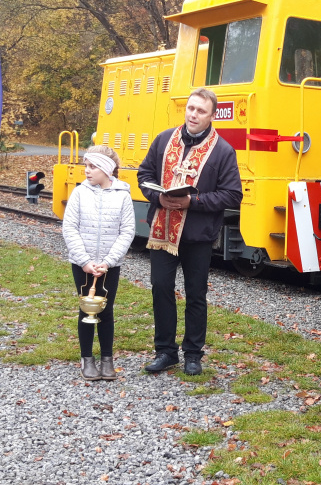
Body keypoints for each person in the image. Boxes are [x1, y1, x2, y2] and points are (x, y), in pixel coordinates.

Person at [138, 88, 242, 376]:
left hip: (198, 235)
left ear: (212, 116)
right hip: (162, 230)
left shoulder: (222, 151)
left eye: (201, 111)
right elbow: (144, 175)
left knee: (196, 294)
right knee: (161, 289)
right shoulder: (163, 140)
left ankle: (193, 354)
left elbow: (233, 195)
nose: (193, 114)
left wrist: (191, 202)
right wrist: (157, 197)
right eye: (191, 108)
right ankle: (165, 352)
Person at [62, 145, 135, 381]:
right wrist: (84, 261)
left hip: (108, 266)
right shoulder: (79, 193)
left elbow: (127, 231)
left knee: (106, 309)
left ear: (106, 169)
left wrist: (109, 261)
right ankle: (87, 359)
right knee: (86, 308)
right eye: (86, 166)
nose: (87, 171)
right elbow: (70, 227)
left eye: (92, 166)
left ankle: (107, 359)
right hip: (82, 265)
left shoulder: (123, 195)